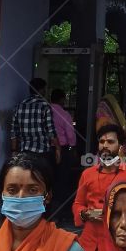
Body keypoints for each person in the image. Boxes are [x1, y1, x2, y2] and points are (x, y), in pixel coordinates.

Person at [73, 123, 126, 251]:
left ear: (121, 147)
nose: (105, 145)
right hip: (89, 245)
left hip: (120, 246)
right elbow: (78, 204)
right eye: (101, 142)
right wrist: (84, 214)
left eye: (110, 142)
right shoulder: (87, 174)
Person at [11, 77, 59, 163]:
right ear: (41, 90)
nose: (45, 91)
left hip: (24, 151)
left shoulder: (19, 106)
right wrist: (58, 148)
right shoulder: (45, 106)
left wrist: (14, 151)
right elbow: (51, 131)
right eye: (45, 89)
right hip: (42, 151)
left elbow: (13, 132)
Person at [49, 87, 78, 225]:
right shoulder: (64, 114)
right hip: (63, 149)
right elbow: (70, 134)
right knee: (62, 181)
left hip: (47, 150)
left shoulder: (45, 111)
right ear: (62, 99)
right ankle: (59, 214)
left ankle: (47, 212)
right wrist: (72, 147)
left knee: (49, 179)